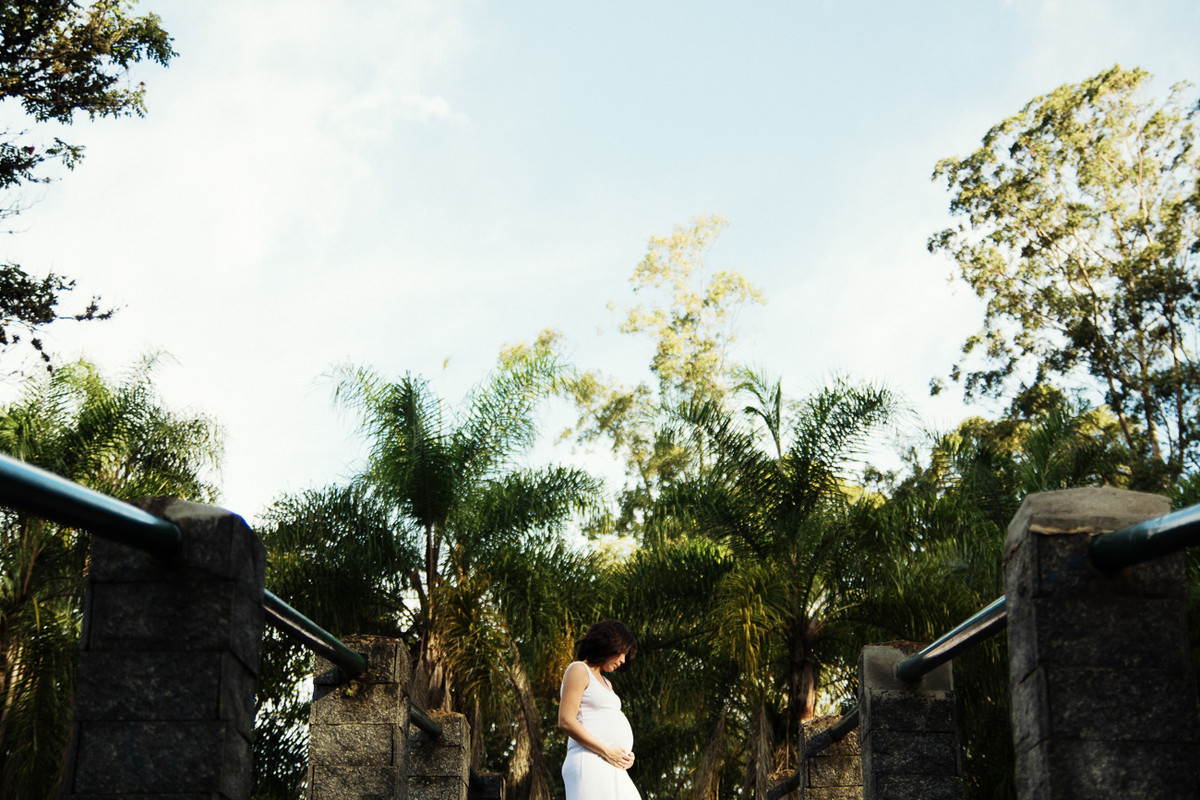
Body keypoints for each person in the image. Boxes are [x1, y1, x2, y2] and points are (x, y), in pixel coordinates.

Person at [558, 620, 641, 800]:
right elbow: (566, 720)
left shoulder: (607, 683)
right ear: (609, 645)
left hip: (612, 765)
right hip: (588, 760)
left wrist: (625, 756)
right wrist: (606, 750)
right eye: (622, 653)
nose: (623, 660)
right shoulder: (579, 669)